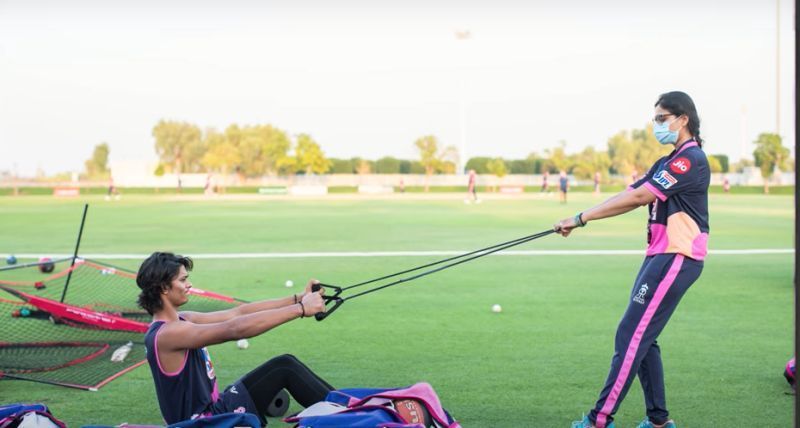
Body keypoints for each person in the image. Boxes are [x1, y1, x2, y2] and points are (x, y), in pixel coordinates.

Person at [559, 92, 709, 428]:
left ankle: (600, 419)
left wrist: (582, 218)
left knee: (631, 334)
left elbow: (641, 197)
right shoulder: (667, 162)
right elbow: (630, 194)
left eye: (662, 118)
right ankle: (658, 420)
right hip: (660, 255)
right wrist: (578, 217)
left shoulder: (690, 160)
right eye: (655, 119)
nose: (656, 125)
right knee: (642, 334)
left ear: (683, 119)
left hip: (677, 255)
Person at [136, 252, 333, 425]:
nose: (189, 284)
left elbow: (237, 314)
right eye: (182, 280)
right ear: (164, 287)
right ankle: (351, 414)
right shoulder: (167, 334)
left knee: (284, 366)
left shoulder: (183, 319)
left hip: (215, 410)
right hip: (205, 424)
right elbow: (234, 328)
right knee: (284, 367)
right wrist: (301, 309)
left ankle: (348, 409)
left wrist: (298, 298)